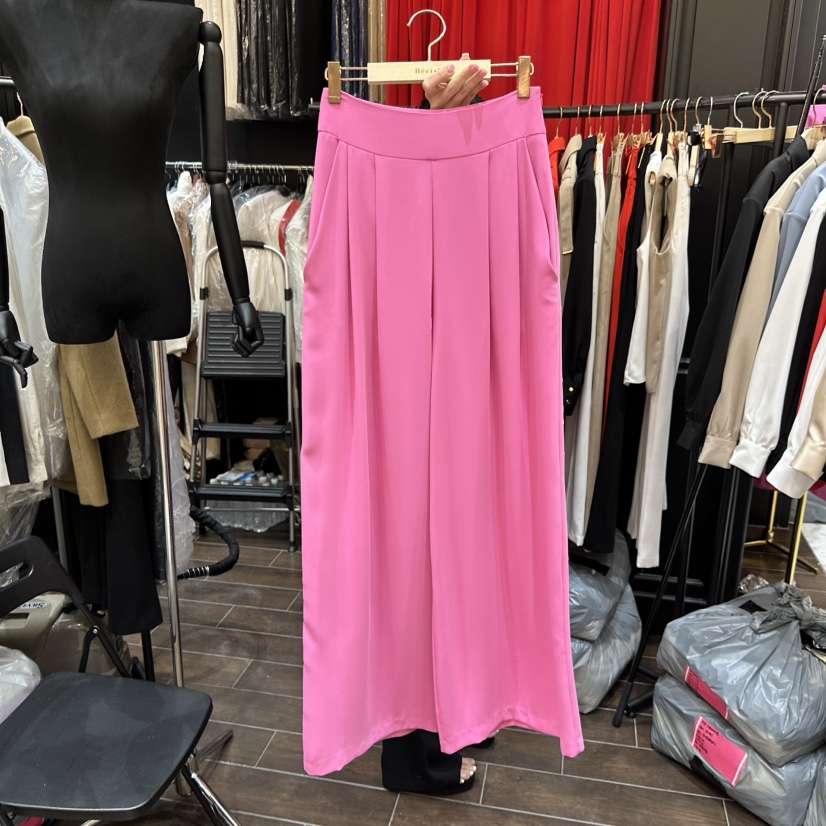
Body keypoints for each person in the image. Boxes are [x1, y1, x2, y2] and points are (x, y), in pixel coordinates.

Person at [379, 60, 493, 797]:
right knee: (424, 536)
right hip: (422, 354)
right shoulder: (398, 171)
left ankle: (447, 720)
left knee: (443, 531)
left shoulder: (431, 171)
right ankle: (420, 749)